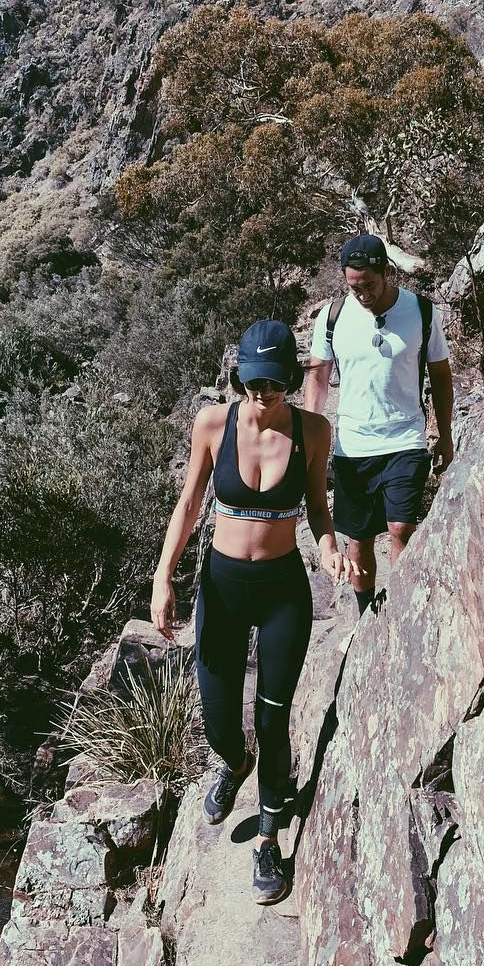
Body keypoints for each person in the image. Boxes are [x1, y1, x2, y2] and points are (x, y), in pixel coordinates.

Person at [151, 319, 355, 905]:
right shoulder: (213, 424)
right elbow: (189, 502)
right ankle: (234, 764)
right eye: (251, 382)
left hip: (282, 590)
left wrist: (330, 547)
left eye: (272, 383)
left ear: (289, 378)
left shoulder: (313, 430)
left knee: (272, 718)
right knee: (218, 717)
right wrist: (163, 577)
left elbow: (318, 507)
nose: (261, 394)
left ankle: (269, 837)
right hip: (222, 588)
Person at [304, 234, 454, 616]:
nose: (362, 294)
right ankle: (366, 616)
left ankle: (402, 614)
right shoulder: (332, 317)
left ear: (387, 272)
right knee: (360, 539)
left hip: (406, 438)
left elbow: (440, 376)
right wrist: (308, 436)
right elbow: (318, 378)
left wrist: (446, 435)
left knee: (401, 528)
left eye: (369, 284)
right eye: (354, 286)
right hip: (354, 445)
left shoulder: (420, 312)